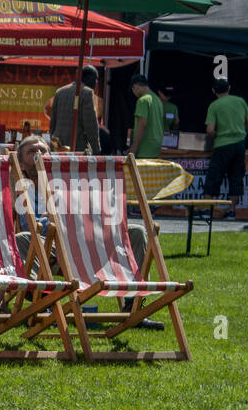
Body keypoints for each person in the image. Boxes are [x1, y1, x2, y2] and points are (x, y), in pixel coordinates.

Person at [11, 135, 160, 328]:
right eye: (32, 152)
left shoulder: (73, 180)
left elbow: (103, 215)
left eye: (43, 149)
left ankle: (134, 307)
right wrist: (60, 220)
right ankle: (44, 304)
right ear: (21, 165)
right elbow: (32, 225)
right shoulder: (25, 189)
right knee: (22, 239)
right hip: (55, 248)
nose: (40, 154)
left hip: (92, 243)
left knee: (137, 232)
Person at [204, 78, 248, 211]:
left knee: (214, 176)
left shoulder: (214, 105)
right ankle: (232, 210)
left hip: (222, 144)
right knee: (236, 176)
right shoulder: (240, 101)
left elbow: (209, 129)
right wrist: (239, 129)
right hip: (239, 144)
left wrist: (218, 134)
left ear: (214, 91)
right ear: (229, 88)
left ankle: (206, 207)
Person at [46, 65, 101, 154]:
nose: (96, 82)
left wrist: (54, 144)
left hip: (57, 145)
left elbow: (53, 123)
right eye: (96, 79)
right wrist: (96, 149)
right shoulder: (86, 92)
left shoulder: (60, 91)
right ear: (88, 78)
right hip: (77, 146)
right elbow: (90, 125)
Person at [128, 74, 164, 160]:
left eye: (132, 89)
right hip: (156, 147)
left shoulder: (142, 100)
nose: (134, 93)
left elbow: (142, 125)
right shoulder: (158, 100)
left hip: (145, 147)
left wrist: (134, 147)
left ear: (135, 86)